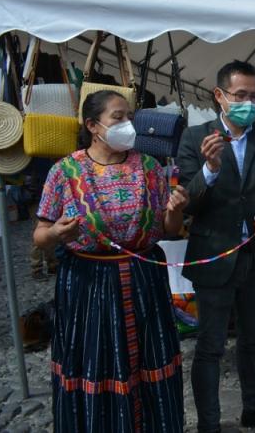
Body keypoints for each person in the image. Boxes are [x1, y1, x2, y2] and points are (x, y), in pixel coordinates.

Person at [33, 90, 187, 432]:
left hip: (143, 281)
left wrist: (175, 212)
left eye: (128, 116)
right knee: (97, 362)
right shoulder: (65, 171)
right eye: (118, 117)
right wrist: (57, 234)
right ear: (93, 125)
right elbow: (40, 235)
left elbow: (169, 231)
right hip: (89, 286)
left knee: (150, 359)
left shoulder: (149, 167)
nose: (127, 124)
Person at [176, 60, 255, 432]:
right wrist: (210, 169)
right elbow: (189, 203)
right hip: (214, 256)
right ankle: (209, 424)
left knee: (254, 339)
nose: (249, 102)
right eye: (240, 95)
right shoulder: (194, 138)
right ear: (220, 96)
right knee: (211, 345)